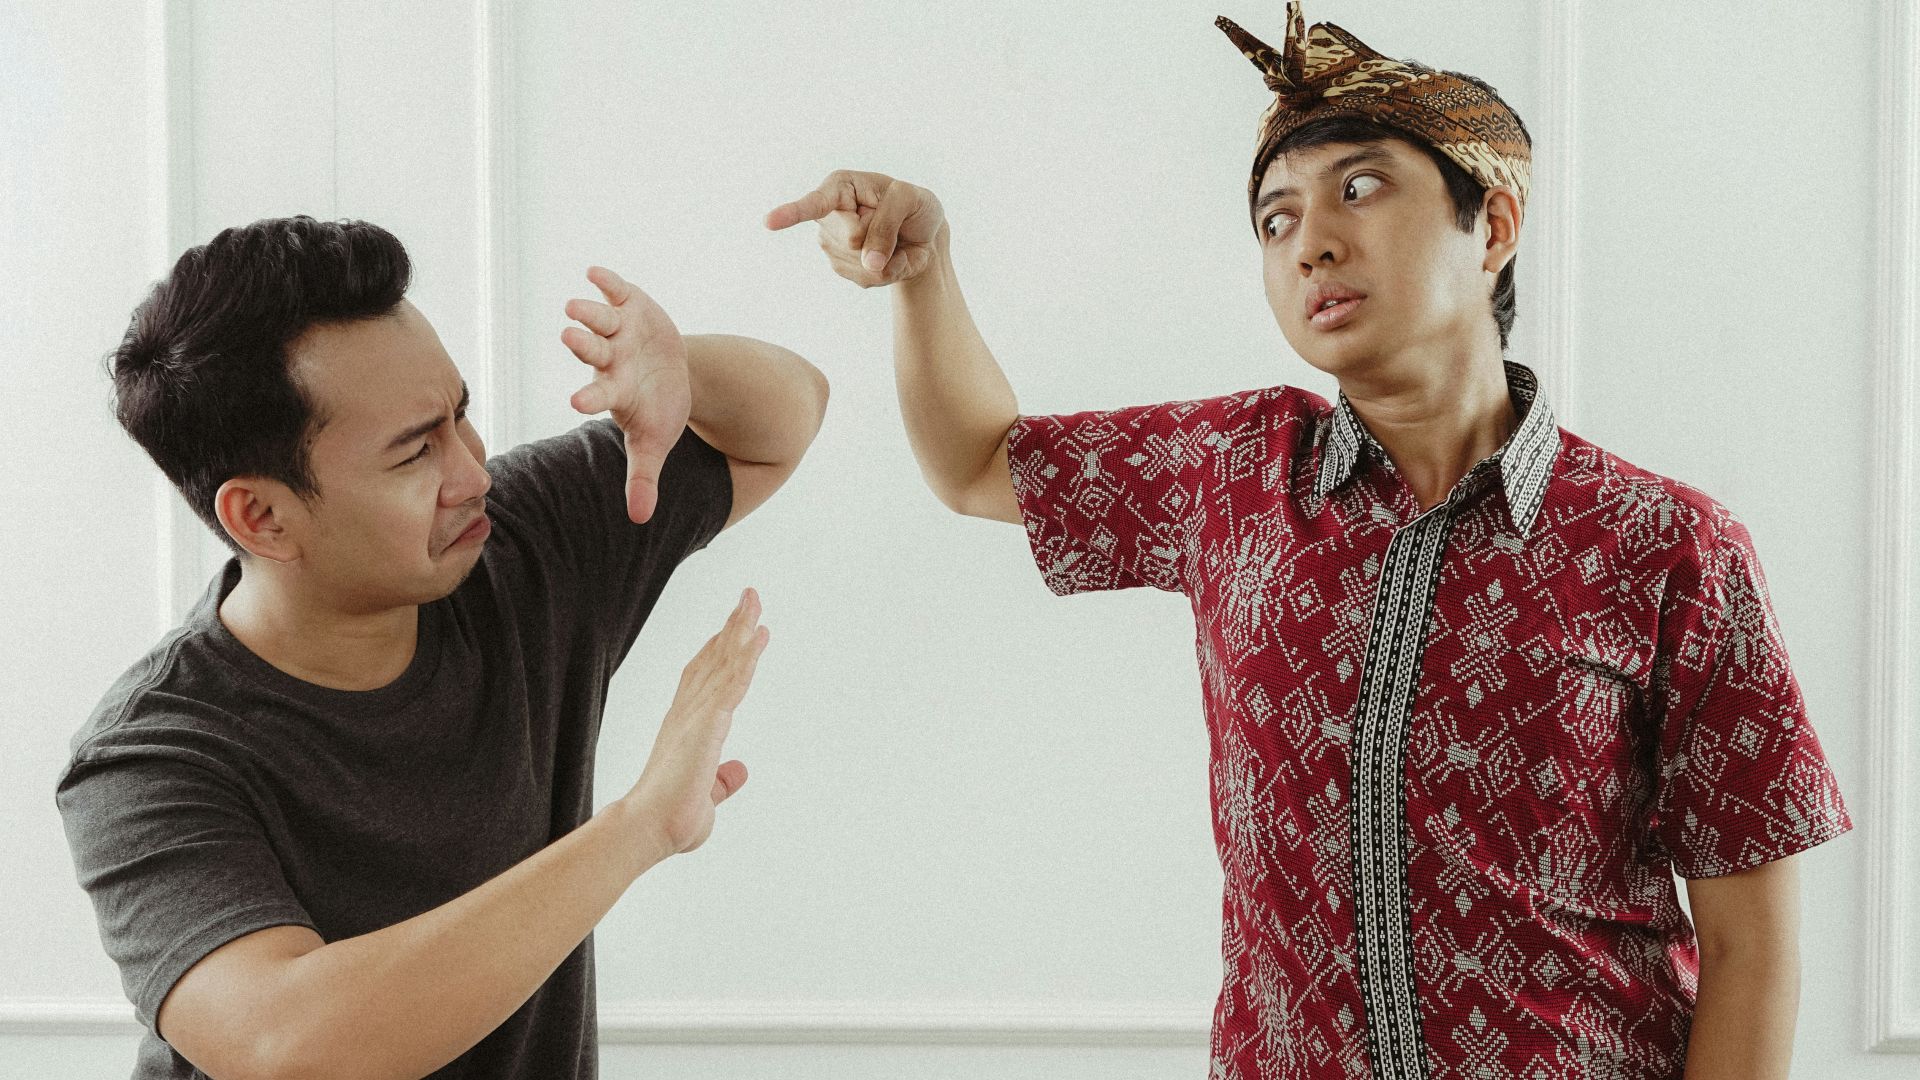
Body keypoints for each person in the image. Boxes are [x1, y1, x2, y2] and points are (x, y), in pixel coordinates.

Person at [766, 4, 1850, 1078]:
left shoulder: (1667, 545)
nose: (1312, 242)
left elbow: (1751, 947)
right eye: (1275, 220)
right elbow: (975, 462)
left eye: (1360, 188)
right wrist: (924, 271)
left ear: (1494, 226)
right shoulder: (1233, 475)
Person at [56, 215, 828, 1080]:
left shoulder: (519, 544)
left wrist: (685, 371)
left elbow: (786, 418)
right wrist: (641, 828)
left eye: (461, 417)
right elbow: (287, 1045)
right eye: (416, 452)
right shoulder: (147, 759)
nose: (472, 473)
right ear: (261, 516)